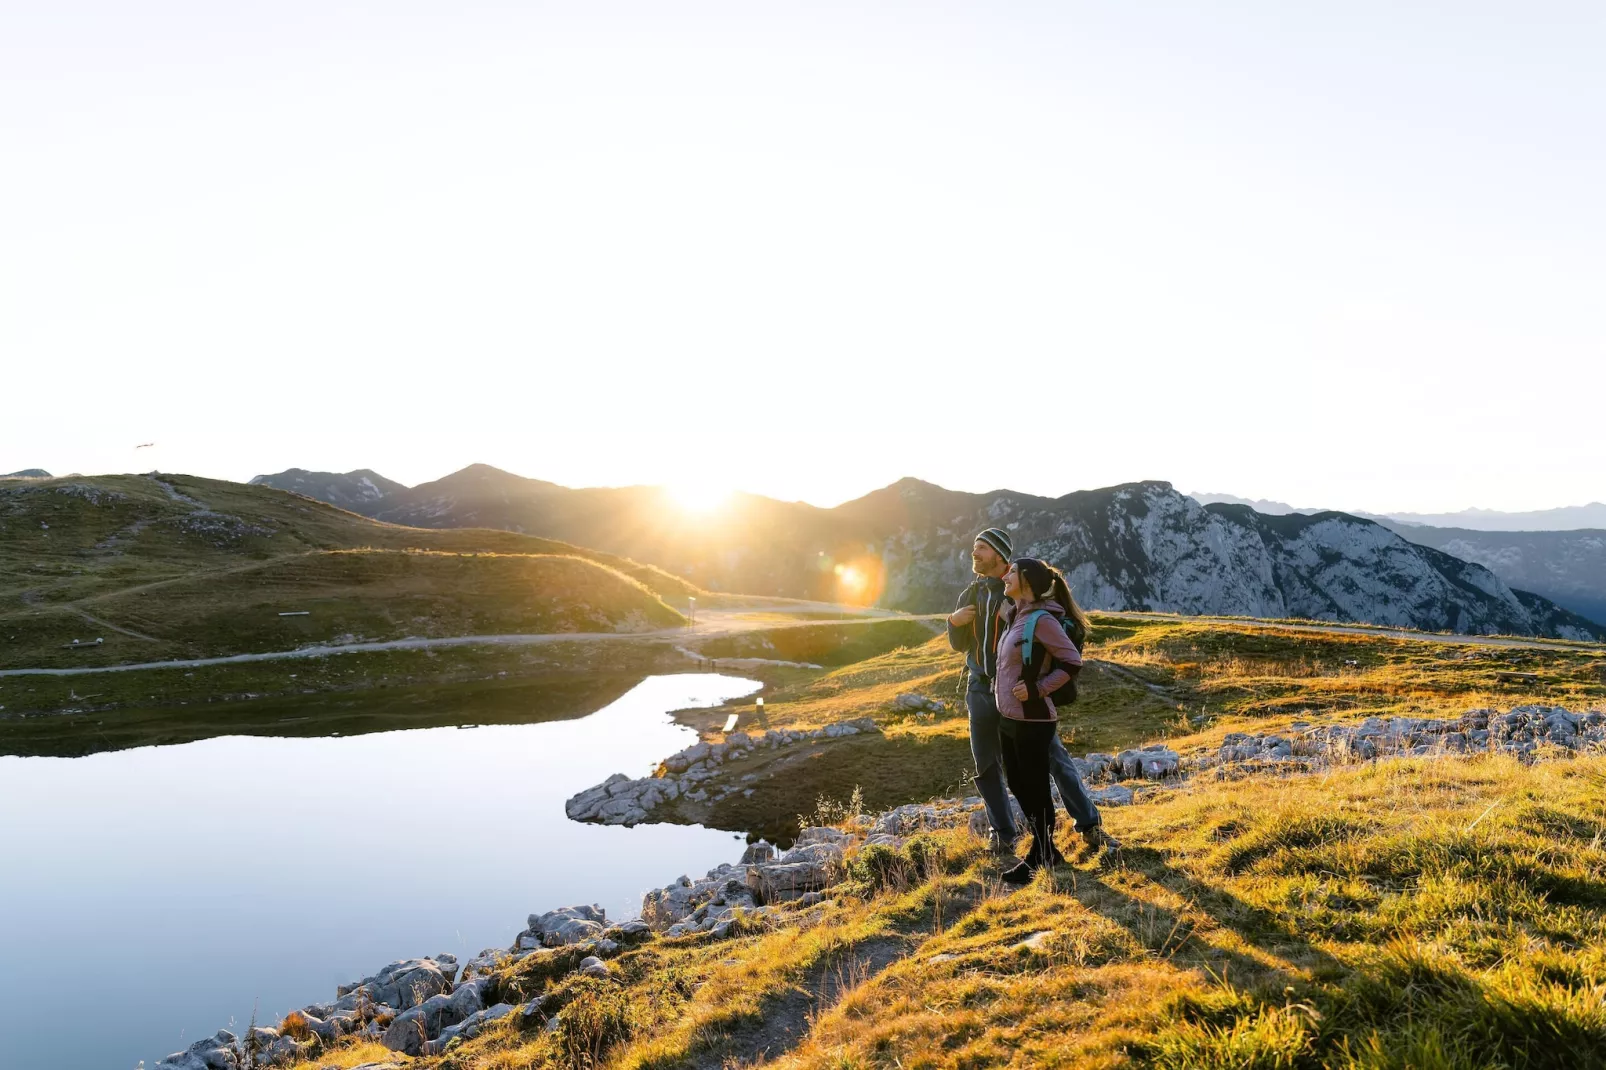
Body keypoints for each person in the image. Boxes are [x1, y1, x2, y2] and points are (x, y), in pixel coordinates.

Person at [946, 531, 1117, 863]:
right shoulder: (971, 593)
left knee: (1053, 758)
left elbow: (1053, 630)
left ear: (999, 555)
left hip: (1019, 692)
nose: (974, 553)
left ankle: (1090, 825)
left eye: (981, 548)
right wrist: (953, 622)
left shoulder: (1018, 592)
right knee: (986, 764)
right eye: (974, 548)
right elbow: (960, 644)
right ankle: (1003, 835)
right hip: (980, 688)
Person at [993, 557, 1101, 883]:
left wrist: (1039, 689)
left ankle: (1042, 854)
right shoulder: (1015, 616)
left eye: (1011, 571)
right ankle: (1045, 850)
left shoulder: (1042, 620)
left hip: (1033, 719)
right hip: (1008, 717)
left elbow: (1072, 662)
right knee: (1016, 783)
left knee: (1036, 788)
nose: (1005, 575)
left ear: (1026, 580)